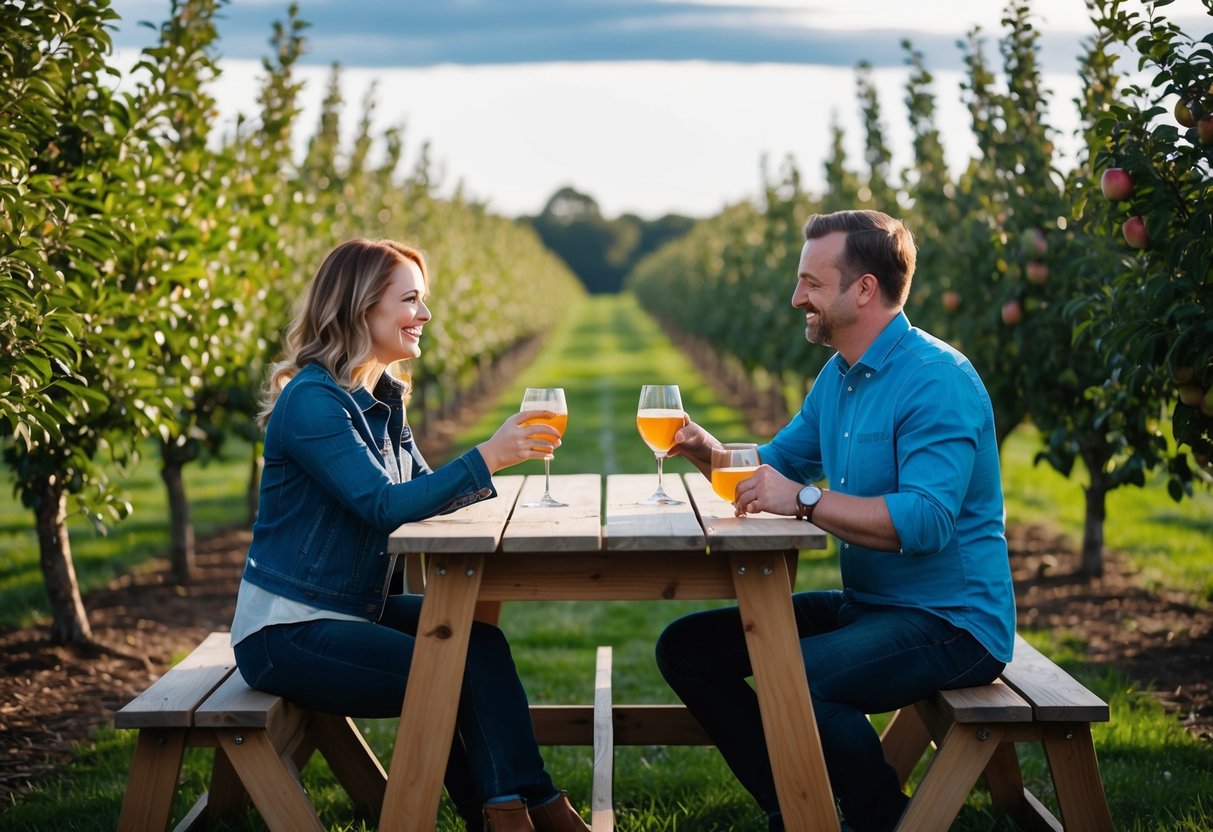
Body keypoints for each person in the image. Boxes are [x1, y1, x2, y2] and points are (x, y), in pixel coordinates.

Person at [655, 210, 1016, 832]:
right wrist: (700, 448)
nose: (797, 298)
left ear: (864, 289)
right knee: (687, 650)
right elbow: (771, 468)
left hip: (953, 622)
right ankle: (799, 809)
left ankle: (875, 818)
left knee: (793, 677)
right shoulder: (840, 377)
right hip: (872, 603)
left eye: (811, 284)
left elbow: (927, 522)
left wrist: (806, 501)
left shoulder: (937, 381)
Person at [229, 238, 589, 832]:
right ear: (360, 306)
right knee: (452, 670)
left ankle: (517, 808)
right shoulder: (313, 403)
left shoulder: (377, 396)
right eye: (411, 300)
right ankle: (519, 813)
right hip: (288, 631)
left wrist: (495, 485)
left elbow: (421, 486)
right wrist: (489, 457)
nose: (425, 315)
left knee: (481, 646)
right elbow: (382, 505)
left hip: (349, 609)